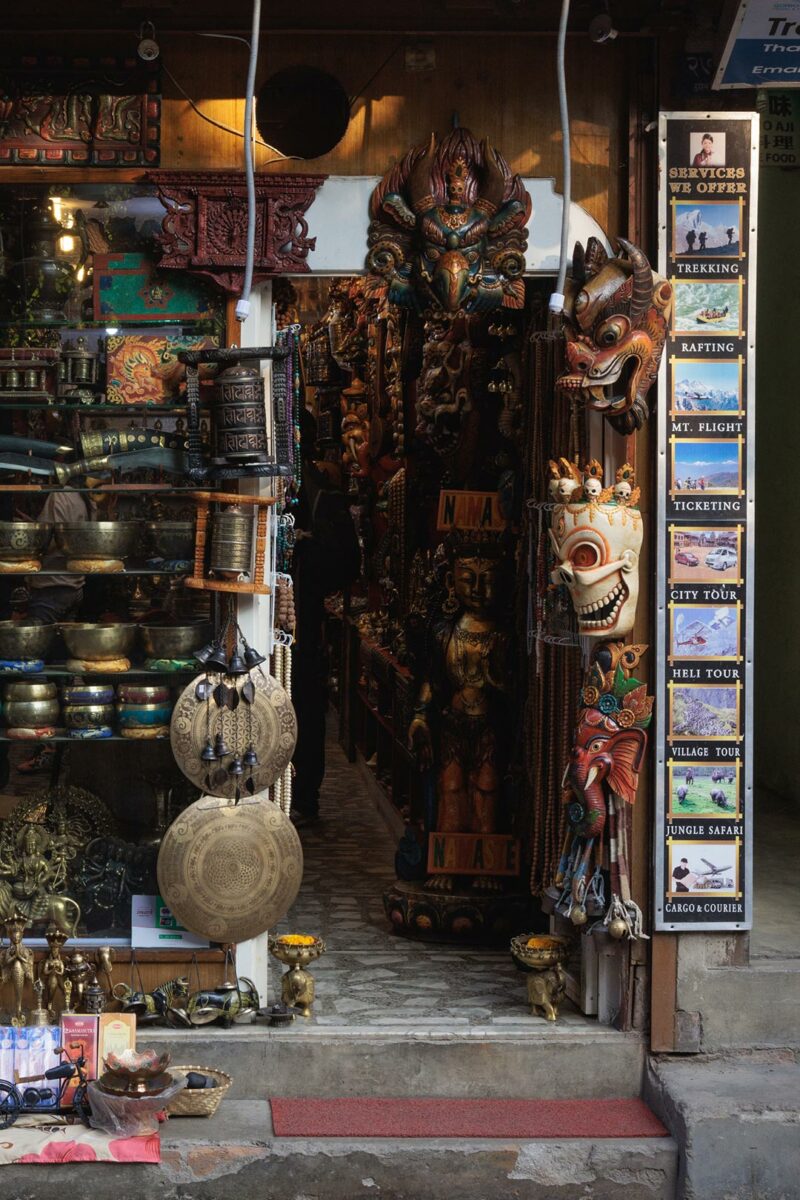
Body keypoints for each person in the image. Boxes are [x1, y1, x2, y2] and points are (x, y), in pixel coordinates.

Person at [290, 409, 360, 826]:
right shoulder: (319, 493)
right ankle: (301, 797)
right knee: (304, 708)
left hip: (303, 623)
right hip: (303, 621)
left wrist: (305, 556)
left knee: (303, 708)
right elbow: (349, 564)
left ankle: (301, 797)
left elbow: (347, 563)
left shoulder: (318, 495)